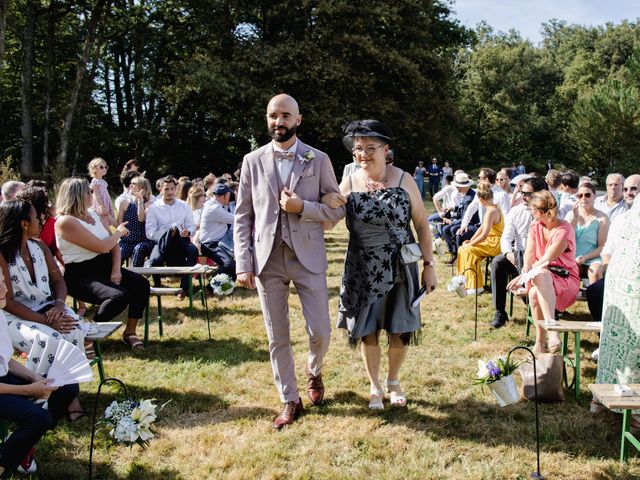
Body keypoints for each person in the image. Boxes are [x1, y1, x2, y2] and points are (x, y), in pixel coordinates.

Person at [234, 94, 345, 429]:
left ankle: (314, 370)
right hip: (267, 259)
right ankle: (289, 398)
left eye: (285, 116)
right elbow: (242, 215)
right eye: (272, 115)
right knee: (276, 334)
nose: (278, 122)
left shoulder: (318, 158)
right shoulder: (252, 161)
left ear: (298, 119)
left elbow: (337, 207)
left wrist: (303, 208)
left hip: (307, 255)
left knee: (320, 332)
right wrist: (243, 261)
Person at [335, 120, 437, 410]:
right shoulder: (349, 182)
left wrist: (429, 264)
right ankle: (375, 385)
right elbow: (328, 218)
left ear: (386, 149)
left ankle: (393, 380)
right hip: (362, 266)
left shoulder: (404, 180)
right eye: (358, 149)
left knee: (399, 328)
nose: (363, 154)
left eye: (370, 148)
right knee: (367, 330)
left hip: (399, 267)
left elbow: (421, 225)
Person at [55, 177, 150, 349]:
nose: (91, 195)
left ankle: (129, 333)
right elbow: (101, 246)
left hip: (105, 265)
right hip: (81, 274)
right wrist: (118, 232)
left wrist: (116, 270)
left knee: (141, 284)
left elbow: (112, 246)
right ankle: (88, 335)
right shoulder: (65, 221)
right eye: (88, 192)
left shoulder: (93, 214)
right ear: (76, 195)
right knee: (118, 296)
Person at [0, 270, 79, 475]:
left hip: (3, 378)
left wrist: (34, 377)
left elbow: (5, 360)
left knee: (67, 387)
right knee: (38, 418)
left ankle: (21, 444)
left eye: (3, 282)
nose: (4, 290)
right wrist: (29, 390)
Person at [0, 200, 86, 363]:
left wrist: (59, 305)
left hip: (46, 309)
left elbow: (58, 281)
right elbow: (8, 302)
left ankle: (68, 383)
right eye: (36, 217)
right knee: (49, 340)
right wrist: (47, 321)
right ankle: (39, 386)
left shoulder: (39, 247)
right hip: (13, 317)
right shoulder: (3, 255)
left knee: (73, 329)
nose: (41, 220)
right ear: (24, 224)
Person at [507, 191, 580, 354]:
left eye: (532, 210)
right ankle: (540, 341)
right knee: (533, 292)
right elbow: (530, 253)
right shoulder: (535, 226)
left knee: (540, 276)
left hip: (564, 277)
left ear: (540, 212)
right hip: (540, 276)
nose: (530, 213)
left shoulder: (564, 229)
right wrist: (525, 266)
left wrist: (522, 277)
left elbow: (545, 260)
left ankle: (551, 330)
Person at [593, 193, 640, 428]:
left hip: (620, 278)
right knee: (632, 347)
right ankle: (635, 412)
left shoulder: (628, 215)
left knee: (614, 344)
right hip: (633, 285)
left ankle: (600, 398)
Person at [490, 176, 547, 328]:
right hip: (518, 254)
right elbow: (506, 239)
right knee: (497, 263)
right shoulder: (515, 211)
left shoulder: (548, 212)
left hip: (540, 258)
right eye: (522, 192)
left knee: (525, 260)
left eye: (528, 194)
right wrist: (509, 254)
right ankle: (500, 311)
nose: (523, 196)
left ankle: (535, 302)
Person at [145, 175, 198, 298]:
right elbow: (150, 232)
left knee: (192, 250)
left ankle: (184, 288)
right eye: (166, 189)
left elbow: (191, 226)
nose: (169, 192)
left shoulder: (184, 206)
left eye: (171, 189)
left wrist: (188, 232)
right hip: (162, 241)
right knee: (154, 260)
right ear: (161, 190)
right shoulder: (154, 208)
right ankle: (157, 285)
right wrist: (166, 234)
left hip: (180, 240)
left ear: (176, 189)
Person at [456, 181, 504, 294]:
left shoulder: (490, 212)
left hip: (494, 243)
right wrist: (471, 240)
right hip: (492, 241)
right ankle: (465, 281)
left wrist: (471, 244)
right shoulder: (494, 208)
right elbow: (482, 228)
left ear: (481, 200)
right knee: (462, 248)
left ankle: (475, 286)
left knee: (468, 250)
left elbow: (484, 235)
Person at [565, 182, 609, 284]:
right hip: (573, 257)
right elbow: (566, 239)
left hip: (593, 257)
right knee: (570, 270)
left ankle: (595, 298)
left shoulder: (602, 218)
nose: (584, 198)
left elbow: (602, 246)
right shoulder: (571, 215)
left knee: (595, 271)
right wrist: (575, 218)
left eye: (587, 195)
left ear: (594, 196)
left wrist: (586, 257)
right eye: (580, 195)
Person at [116, 176, 155, 267]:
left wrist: (140, 201)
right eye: (131, 183)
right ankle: (115, 279)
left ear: (142, 188)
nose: (130, 185)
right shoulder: (124, 203)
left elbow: (141, 218)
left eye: (134, 183)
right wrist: (107, 217)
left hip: (143, 241)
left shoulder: (151, 204)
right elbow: (118, 224)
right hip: (127, 240)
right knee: (118, 254)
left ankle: (136, 277)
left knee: (138, 250)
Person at [441, 172, 478, 264]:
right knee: (446, 229)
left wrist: (452, 222)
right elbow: (462, 209)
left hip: (471, 223)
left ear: (465, 186)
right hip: (463, 221)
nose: (456, 188)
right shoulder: (466, 194)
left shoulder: (469, 198)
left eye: (458, 186)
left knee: (452, 229)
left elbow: (466, 217)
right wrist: (453, 208)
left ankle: (457, 254)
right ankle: (454, 252)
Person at [199, 183, 235, 278]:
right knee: (228, 264)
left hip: (219, 243)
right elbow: (236, 220)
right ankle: (211, 287)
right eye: (228, 195)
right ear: (221, 196)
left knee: (232, 264)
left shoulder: (215, 204)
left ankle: (225, 285)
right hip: (210, 245)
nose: (230, 197)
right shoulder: (214, 208)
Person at [88, 157, 116, 228]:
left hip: (105, 202)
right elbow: (96, 194)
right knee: (102, 218)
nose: (104, 169)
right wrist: (101, 206)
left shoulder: (103, 181)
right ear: (94, 169)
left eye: (105, 167)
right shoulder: (95, 181)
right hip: (100, 203)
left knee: (107, 217)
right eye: (101, 167)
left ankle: (116, 230)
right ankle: (117, 229)